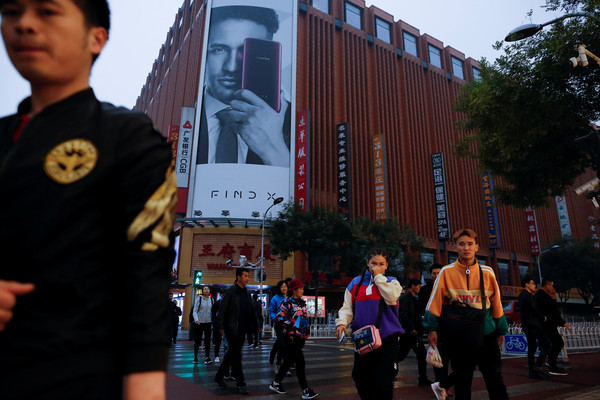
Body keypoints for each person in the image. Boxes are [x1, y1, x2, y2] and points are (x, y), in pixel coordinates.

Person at [0, 1, 177, 399]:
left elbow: (147, 262)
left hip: (76, 374)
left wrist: (145, 380)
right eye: (12, 11)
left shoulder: (128, 135)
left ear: (96, 37)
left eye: (47, 11)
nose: (24, 25)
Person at [196, 5, 291, 166]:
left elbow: (306, 189)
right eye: (219, 50)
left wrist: (273, 149)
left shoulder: (293, 122)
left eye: (246, 51)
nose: (231, 67)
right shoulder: (179, 115)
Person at [424, 229, 509, 400]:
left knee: (495, 378)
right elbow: (435, 302)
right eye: (462, 244)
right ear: (455, 247)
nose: (466, 248)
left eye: (470, 244)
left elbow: (496, 304)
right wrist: (431, 328)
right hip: (459, 336)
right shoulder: (446, 272)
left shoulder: (487, 272)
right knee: (463, 381)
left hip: (486, 334)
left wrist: (501, 329)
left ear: (476, 247)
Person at [335, 249, 404, 400]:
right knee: (360, 379)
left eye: (381, 264)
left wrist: (379, 277)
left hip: (386, 340)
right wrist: (342, 323)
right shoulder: (355, 283)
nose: (377, 267)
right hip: (363, 339)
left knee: (383, 382)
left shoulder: (392, 281)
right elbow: (347, 307)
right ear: (367, 263)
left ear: (386, 266)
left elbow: (392, 298)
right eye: (373, 263)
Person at [268, 278, 318, 399]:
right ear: (294, 290)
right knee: (300, 362)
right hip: (290, 338)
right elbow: (279, 317)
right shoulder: (287, 302)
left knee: (288, 361)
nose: (302, 290)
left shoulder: (302, 302)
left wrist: (306, 330)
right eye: (300, 288)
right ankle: (305, 390)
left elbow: (303, 318)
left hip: (300, 338)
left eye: (302, 288)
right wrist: (291, 325)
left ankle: (276, 383)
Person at [214, 267, 261, 395]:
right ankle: (241, 384)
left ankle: (218, 377)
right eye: (245, 275)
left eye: (248, 276)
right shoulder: (229, 292)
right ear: (238, 277)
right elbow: (221, 312)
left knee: (231, 355)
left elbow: (251, 311)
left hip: (242, 330)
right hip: (231, 329)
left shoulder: (246, 293)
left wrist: (257, 324)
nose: (247, 278)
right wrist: (221, 328)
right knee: (236, 356)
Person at [535, 278, 572, 376]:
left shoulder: (541, 296)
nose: (553, 288)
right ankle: (550, 365)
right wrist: (562, 323)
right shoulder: (543, 297)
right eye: (551, 285)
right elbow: (553, 312)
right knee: (557, 343)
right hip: (547, 325)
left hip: (547, 325)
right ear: (546, 285)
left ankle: (549, 363)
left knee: (552, 344)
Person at [398, 278, 432, 386]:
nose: (419, 288)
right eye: (418, 286)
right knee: (401, 355)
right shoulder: (405, 298)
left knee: (421, 354)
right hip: (408, 333)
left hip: (415, 332)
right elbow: (403, 314)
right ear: (413, 286)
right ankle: (386, 372)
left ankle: (423, 378)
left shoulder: (415, 298)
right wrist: (411, 328)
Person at [518, 276, 552, 378]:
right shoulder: (527, 296)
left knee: (532, 347)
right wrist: (543, 317)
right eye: (532, 283)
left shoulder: (521, 295)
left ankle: (532, 372)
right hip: (534, 324)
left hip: (526, 324)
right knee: (548, 344)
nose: (534, 285)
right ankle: (538, 366)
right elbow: (534, 309)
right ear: (526, 284)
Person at [269, 280, 289, 373]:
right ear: (279, 288)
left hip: (288, 325)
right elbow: (271, 311)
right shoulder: (275, 298)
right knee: (282, 344)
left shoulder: (290, 298)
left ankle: (273, 354)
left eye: (285, 286)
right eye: (282, 286)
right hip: (279, 324)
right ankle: (278, 365)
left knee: (283, 344)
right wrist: (275, 317)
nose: (284, 288)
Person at [193, 286, 214, 364]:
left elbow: (213, 311)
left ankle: (207, 357)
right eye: (205, 289)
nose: (206, 290)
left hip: (208, 322)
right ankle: (195, 357)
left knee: (207, 340)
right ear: (202, 291)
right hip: (199, 323)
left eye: (208, 289)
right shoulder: (199, 299)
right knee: (198, 340)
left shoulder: (211, 300)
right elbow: (194, 311)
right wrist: (196, 320)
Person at [211, 296, 222, 363]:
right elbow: (213, 312)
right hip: (218, 324)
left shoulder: (230, 302)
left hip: (227, 324)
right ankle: (216, 355)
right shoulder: (217, 303)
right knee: (218, 340)